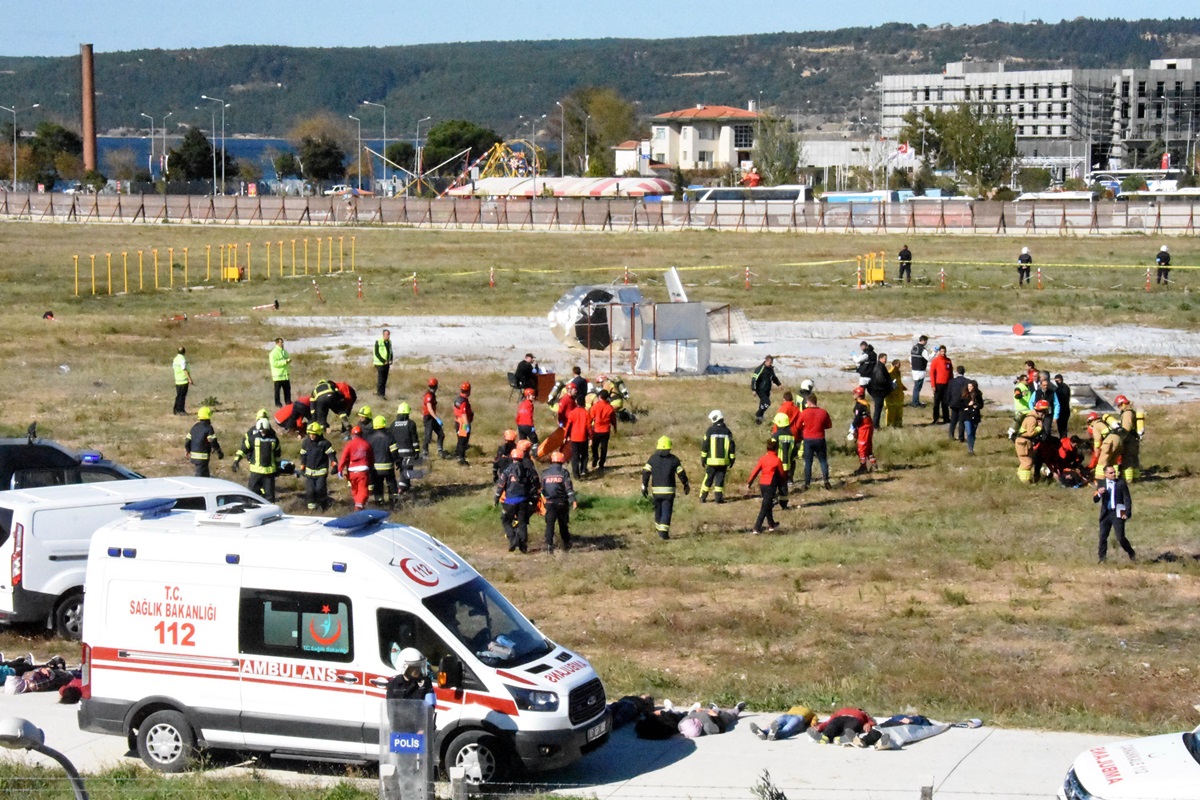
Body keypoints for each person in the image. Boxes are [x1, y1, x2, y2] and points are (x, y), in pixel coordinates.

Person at [641, 436, 690, 540]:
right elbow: (681, 473)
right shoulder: (674, 460)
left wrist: (644, 486)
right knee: (666, 510)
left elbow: (645, 472)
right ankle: (663, 533)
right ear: (669, 447)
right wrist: (686, 484)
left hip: (656, 492)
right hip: (669, 492)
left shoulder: (653, 459)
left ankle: (659, 529)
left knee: (658, 509)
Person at [494, 447, 537, 553]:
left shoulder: (507, 471)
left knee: (505, 520)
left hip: (510, 501)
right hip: (523, 500)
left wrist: (496, 498)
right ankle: (523, 544)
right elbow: (534, 484)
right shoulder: (527, 471)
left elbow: (501, 485)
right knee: (522, 522)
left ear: (511, 457)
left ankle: (513, 538)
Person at [233, 414, 281, 502]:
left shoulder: (274, 439)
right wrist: (236, 461)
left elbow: (277, 454)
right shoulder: (253, 438)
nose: (263, 432)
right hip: (256, 472)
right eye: (261, 431)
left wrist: (278, 467)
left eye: (264, 431)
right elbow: (243, 450)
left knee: (269, 497)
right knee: (252, 494)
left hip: (269, 473)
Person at [1094, 465, 1135, 562]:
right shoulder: (1101, 483)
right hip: (1106, 513)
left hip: (1118, 512)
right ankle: (1102, 559)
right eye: (1111, 473)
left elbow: (1127, 499)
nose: (1114, 474)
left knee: (1120, 537)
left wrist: (1127, 512)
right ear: (1105, 474)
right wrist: (1099, 493)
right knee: (1103, 536)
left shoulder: (1120, 483)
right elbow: (1095, 499)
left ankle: (1131, 552)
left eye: (1114, 472)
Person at [541, 451, 577, 553]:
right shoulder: (564, 473)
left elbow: (542, 489)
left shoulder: (545, 473)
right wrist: (573, 500)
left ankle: (548, 545)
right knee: (563, 524)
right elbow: (568, 488)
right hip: (562, 502)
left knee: (549, 525)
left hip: (549, 503)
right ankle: (566, 543)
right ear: (562, 461)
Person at [747, 439, 784, 534]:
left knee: (767, 504)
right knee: (765, 506)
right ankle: (757, 527)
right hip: (770, 485)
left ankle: (771, 524)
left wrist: (749, 482)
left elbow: (755, 471)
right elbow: (782, 474)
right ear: (777, 448)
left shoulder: (763, 458)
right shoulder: (777, 460)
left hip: (762, 484)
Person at [699, 409, 736, 504]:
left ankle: (703, 496)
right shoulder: (727, 431)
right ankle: (718, 498)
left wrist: (703, 458)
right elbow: (732, 446)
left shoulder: (710, 431)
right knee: (720, 480)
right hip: (723, 462)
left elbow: (705, 445)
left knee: (708, 479)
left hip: (711, 461)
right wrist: (732, 459)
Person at [298, 421, 337, 510]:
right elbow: (303, 455)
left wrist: (334, 465)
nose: (312, 436)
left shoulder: (325, 443)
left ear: (319, 433)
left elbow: (331, 455)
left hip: (321, 472)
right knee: (310, 491)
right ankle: (311, 509)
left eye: (314, 434)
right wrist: (302, 467)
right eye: (310, 434)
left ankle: (323, 505)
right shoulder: (306, 443)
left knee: (320, 489)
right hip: (309, 472)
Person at [798, 393, 833, 490]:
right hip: (820, 438)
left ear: (809, 402)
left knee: (808, 462)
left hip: (808, 439)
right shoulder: (823, 412)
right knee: (823, 460)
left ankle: (807, 483)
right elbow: (828, 425)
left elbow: (798, 425)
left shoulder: (804, 413)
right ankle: (826, 480)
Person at [367, 415, 400, 507]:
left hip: (375, 468)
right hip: (388, 466)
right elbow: (394, 452)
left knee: (378, 485)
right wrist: (398, 461)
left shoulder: (369, 438)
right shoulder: (389, 437)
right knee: (391, 483)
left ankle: (379, 502)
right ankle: (394, 501)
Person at [338, 426, 373, 510]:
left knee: (355, 490)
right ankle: (359, 505)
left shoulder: (349, 444)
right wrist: (371, 467)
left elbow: (344, 457)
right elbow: (371, 457)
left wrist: (340, 470)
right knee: (363, 489)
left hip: (352, 472)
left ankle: (358, 506)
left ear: (352, 435)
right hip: (363, 471)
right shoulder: (366, 444)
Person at [390, 402, 421, 498]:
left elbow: (391, 439)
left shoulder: (393, 425)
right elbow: (414, 439)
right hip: (408, 452)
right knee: (407, 470)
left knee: (402, 469)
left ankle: (405, 487)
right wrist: (416, 451)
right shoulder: (411, 424)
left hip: (396, 453)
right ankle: (401, 489)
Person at [1014, 400, 1049, 483]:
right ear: (1042, 411)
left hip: (1025, 443)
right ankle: (1025, 482)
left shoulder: (1034, 418)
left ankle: (1021, 479)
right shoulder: (1032, 419)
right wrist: (1039, 427)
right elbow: (1031, 433)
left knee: (1025, 462)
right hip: (1023, 443)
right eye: (1045, 411)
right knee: (1027, 463)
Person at [769, 412, 798, 509]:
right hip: (787, 464)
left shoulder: (775, 436)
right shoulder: (791, 436)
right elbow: (794, 451)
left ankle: (772, 500)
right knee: (783, 484)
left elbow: (771, 449)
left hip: (777, 464)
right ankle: (784, 503)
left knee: (773, 483)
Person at [184, 406, 223, 477]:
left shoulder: (195, 427)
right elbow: (213, 441)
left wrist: (187, 450)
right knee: (201, 477)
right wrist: (219, 452)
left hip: (193, 456)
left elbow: (187, 440)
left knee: (204, 474)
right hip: (202, 457)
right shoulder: (208, 428)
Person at [1114, 394, 1144, 482]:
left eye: (1119, 405)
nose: (1119, 407)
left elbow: (1126, 428)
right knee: (1134, 459)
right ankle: (1136, 477)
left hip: (1129, 439)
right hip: (1134, 439)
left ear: (1122, 404)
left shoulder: (1127, 413)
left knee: (1127, 459)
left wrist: (1121, 437)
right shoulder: (1131, 412)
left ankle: (1128, 480)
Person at [1086, 411, 1123, 481]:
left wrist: (1096, 450)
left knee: (1102, 462)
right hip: (1119, 440)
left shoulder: (1096, 425)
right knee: (1113, 461)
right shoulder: (1105, 423)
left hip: (1109, 441)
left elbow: (1097, 439)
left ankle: (1100, 480)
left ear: (1091, 421)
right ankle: (1115, 477)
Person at [811, 707, 877, 745]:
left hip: (854, 719)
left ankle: (844, 738)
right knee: (833, 726)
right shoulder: (841, 711)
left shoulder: (862, 713)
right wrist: (820, 727)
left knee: (849, 729)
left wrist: (868, 724)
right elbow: (829, 721)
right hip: (839, 718)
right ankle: (825, 737)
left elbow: (870, 721)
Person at [749, 705, 817, 741]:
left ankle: (775, 734)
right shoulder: (794, 707)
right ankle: (763, 732)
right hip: (786, 715)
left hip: (798, 718)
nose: (801, 706)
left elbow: (814, 720)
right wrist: (771, 723)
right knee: (775, 725)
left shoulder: (811, 712)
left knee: (787, 729)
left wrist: (813, 725)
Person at [563, 399, 591, 479]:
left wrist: (565, 436)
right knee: (584, 455)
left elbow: (568, 426)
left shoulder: (572, 413)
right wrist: (591, 437)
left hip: (574, 437)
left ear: (576, 402)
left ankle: (576, 474)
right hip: (583, 437)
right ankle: (583, 470)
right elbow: (589, 427)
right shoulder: (586, 413)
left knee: (575, 456)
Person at [850, 387, 876, 474]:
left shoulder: (859, 405)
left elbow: (858, 418)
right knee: (868, 446)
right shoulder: (865, 403)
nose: (853, 395)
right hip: (869, 426)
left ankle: (863, 466)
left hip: (864, 427)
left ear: (858, 395)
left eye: (854, 393)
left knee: (861, 447)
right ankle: (874, 464)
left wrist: (853, 426)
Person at [589, 389, 616, 471]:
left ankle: (595, 458)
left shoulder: (595, 406)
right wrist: (615, 427)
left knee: (594, 446)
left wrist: (588, 428)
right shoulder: (610, 407)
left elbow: (590, 418)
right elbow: (613, 419)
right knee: (604, 448)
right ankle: (602, 463)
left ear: (600, 397)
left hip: (596, 430)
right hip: (606, 430)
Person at [751, 355, 781, 425]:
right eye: (770, 362)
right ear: (766, 361)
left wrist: (779, 384)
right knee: (767, 403)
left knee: (762, 405)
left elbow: (774, 378)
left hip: (767, 390)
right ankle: (758, 414)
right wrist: (754, 389)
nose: (771, 364)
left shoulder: (770, 369)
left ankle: (758, 421)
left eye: (772, 362)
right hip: (760, 389)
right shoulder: (760, 368)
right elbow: (754, 379)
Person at [421, 377, 446, 459]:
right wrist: (437, 418)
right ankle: (425, 452)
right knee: (428, 436)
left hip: (433, 418)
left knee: (441, 434)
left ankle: (440, 450)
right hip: (429, 418)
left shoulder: (432, 395)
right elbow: (429, 408)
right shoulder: (428, 396)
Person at [866, 352, 892, 429]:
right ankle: (875, 426)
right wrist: (888, 385)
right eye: (885, 359)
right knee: (877, 409)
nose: (886, 360)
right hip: (877, 391)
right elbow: (880, 380)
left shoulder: (881, 366)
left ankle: (875, 425)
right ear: (880, 358)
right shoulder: (879, 367)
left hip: (877, 391)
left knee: (878, 409)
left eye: (886, 359)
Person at [928, 346, 952, 425]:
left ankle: (946, 418)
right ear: (939, 352)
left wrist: (952, 384)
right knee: (936, 403)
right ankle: (935, 419)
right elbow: (932, 373)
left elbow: (950, 373)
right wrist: (933, 385)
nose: (943, 353)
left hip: (947, 385)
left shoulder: (948, 361)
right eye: (941, 351)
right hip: (938, 385)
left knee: (945, 403)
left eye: (944, 351)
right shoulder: (935, 361)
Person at [946, 366, 969, 442]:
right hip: (963, 403)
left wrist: (948, 402)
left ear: (957, 372)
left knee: (953, 421)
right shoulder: (967, 381)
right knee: (962, 421)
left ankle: (951, 436)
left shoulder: (952, 381)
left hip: (954, 403)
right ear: (964, 372)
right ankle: (961, 437)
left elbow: (949, 392)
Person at [453, 382, 473, 465]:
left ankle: (458, 454)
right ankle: (461, 458)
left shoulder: (458, 399)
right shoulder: (464, 402)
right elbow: (464, 414)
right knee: (463, 441)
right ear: (468, 391)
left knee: (460, 440)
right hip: (463, 424)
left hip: (458, 421)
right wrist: (466, 425)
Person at [963, 380, 984, 455]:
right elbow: (962, 404)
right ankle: (970, 450)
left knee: (973, 433)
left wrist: (976, 406)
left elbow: (981, 405)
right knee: (969, 432)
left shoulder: (978, 395)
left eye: (971, 386)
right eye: (968, 386)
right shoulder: (965, 394)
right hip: (967, 416)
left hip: (975, 416)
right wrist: (968, 405)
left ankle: (972, 447)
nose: (969, 388)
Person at [269, 337, 292, 408]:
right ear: (277, 343)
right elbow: (274, 363)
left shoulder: (284, 352)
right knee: (277, 391)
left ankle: (288, 402)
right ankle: (278, 403)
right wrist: (284, 362)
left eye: (282, 342)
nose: (282, 344)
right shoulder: (273, 353)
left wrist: (288, 360)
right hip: (278, 376)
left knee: (287, 390)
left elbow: (288, 357)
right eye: (281, 342)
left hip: (285, 375)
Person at [909, 335, 930, 408]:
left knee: (916, 387)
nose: (926, 343)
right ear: (923, 341)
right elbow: (928, 358)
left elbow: (910, 358)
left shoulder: (914, 347)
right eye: (926, 341)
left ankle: (915, 401)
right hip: (920, 370)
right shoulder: (923, 349)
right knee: (917, 388)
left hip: (914, 370)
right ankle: (915, 402)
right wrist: (934, 353)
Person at [883, 359, 906, 428]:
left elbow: (899, 382)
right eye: (898, 364)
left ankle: (898, 424)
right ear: (895, 364)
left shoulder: (898, 372)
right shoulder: (891, 373)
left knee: (899, 411)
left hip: (898, 396)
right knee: (891, 412)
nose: (899, 366)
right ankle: (890, 425)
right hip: (892, 396)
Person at [373, 329, 393, 399]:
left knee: (384, 380)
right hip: (380, 364)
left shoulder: (389, 342)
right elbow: (376, 353)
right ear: (383, 335)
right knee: (381, 380)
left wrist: (391, 360)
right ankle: (379, 394)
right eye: (387, 334)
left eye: (389, 334)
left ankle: (382, 395)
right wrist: (383, 360)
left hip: (387, 364)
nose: (388, 336)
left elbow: (390, 352)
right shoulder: (378, 342)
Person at [172, 346, 192, 415]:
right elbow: (184, 369)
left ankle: (175, 409)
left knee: (178, 395)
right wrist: (189, 379)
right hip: (183, 380)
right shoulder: (182, 359)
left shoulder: (175, 359)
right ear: (184, 351)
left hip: (177, 380)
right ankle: (181, 410)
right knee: (182, 396)